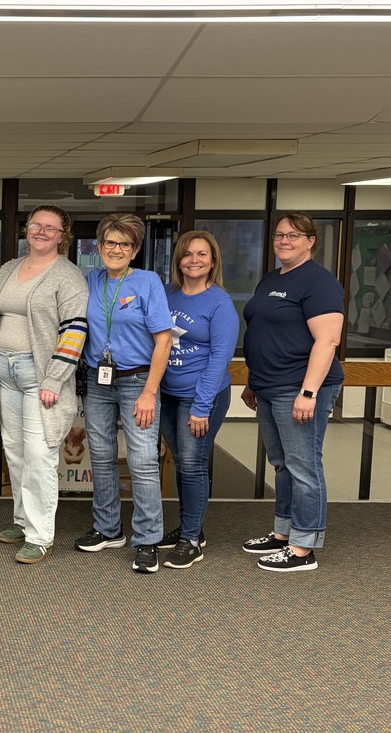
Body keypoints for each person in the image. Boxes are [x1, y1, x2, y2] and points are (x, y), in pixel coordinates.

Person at [0, 205, 88, 563]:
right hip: (4, 371)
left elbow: (75, 331)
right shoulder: (9, 269)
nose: (41, 231)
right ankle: (23, 522)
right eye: (36, 225)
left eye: (50, 228)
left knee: (40, 455)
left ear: (62, 236)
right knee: (15, 450)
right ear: (27, 230)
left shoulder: (68, 277)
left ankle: (40, 536)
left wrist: (54, 378)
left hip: (41, 377)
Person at [240, 212, 344, 572]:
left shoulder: (319, 282)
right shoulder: (272, 278)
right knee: (282, 465)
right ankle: (283, 533)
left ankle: (303, 548)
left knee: (304, 467)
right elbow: (266, 332)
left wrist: (309, 393)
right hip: (269, 386)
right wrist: (254, 381)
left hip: (299, 387)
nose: (284, 241)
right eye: (279, 235)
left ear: (311, 241)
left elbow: (328, 340)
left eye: (294, 236)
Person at [74, 213, 173, 574]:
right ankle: (108, 528)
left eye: (125, 244)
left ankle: (147, 540)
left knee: (143, 460)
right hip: (98, 381)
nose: (116, 250)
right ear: (98, 247)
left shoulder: (148, 283)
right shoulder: (91, 280)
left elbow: (163, 341)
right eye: (110, 243)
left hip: (138, 381)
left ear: (136, 250)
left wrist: (149, 393)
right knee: (100, 454)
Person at [158, 231, 239, 569]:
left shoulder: (219, 303)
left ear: (213, 261)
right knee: (181, 460)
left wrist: (203, 405)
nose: (194, 260)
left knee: (192, 464)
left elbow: (220, 356)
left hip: (202, 396)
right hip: (166, 394)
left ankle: (191, 538)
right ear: (178, 260)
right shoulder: (167, 294)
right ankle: (190, 528)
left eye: (202, 254)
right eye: (188, 254)